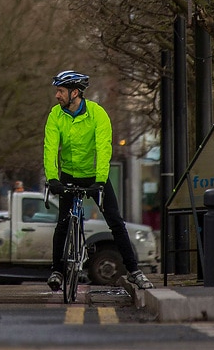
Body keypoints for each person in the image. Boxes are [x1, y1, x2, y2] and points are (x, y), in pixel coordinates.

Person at [43, 70, 153, 291]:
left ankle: (134, 271)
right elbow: (50, 148)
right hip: (68, 176)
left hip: (95, 176)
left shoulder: (97, 114)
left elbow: (103, 149)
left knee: (115, 222)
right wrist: (52, 178)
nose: (57, 96)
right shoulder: (56, 115)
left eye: (61, 91)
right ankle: (57, 270)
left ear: (75, 93)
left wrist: (101, 180)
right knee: (63, 223)